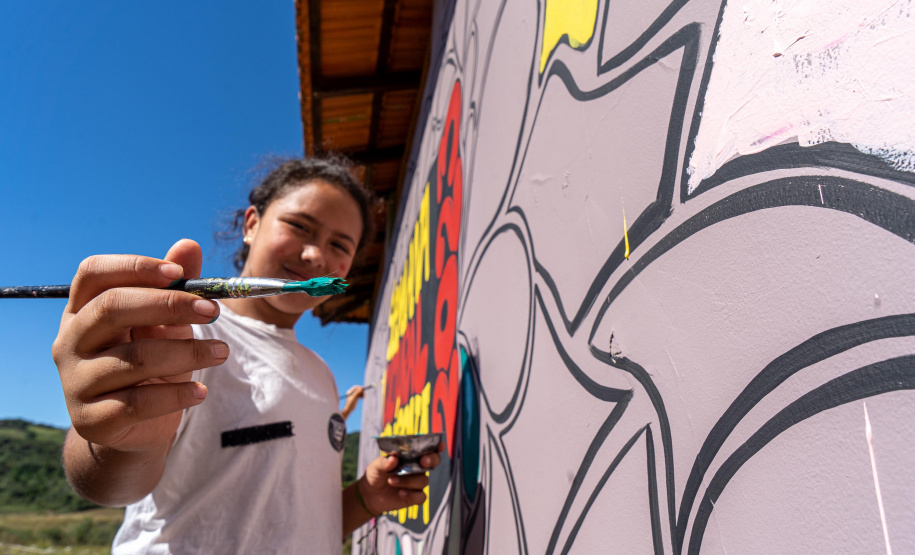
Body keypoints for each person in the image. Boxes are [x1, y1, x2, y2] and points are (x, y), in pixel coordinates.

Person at [52, 156, 442, 554]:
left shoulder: (321, 373)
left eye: (339, 245)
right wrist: (116, 441)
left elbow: (298, 525)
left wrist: (365, 499)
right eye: (299, 226)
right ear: (251, 224)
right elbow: (106, 484)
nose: (314, 256)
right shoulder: (191, 333)